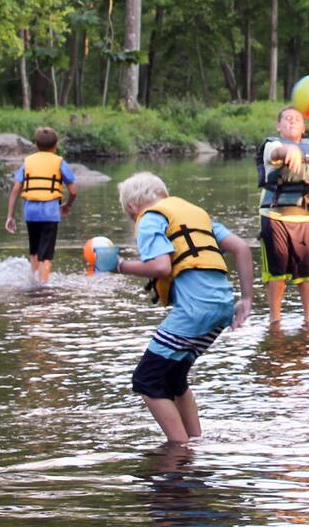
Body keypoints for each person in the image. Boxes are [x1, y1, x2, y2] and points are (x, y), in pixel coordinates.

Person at [117, 172, 254, 443]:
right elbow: (241, 248)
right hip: (222, 307)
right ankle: (196, 443)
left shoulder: (149, 219)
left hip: (196, 310)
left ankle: (179, 451)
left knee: (147, 379)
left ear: (133, 207)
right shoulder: (195, 214)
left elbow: (160, 266)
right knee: (175, 379)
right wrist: (247, 299)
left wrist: (119, 266)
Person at [257, 106, 309, 325]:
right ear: (278, 126)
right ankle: (275, 320)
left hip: (305, 217)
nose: (291, 122)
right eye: (287, 119)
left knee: (307, 275)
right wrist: (289, 152)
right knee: (276, 273)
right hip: (275, 216)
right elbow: (277, 154)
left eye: (297, 120)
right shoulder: (272, 146)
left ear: (304, 128)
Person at [5, 126, 77, 284]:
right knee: (47, 256)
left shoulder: (27, 162)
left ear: (36, 145)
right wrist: (68, 205)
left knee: (35, 251)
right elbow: (73, 191)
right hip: (50, 213)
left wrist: (10, 216)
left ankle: (33, 281)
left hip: (31, 213)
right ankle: (43, 288)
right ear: (55, 145)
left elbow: (16, 189)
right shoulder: (59, 162)